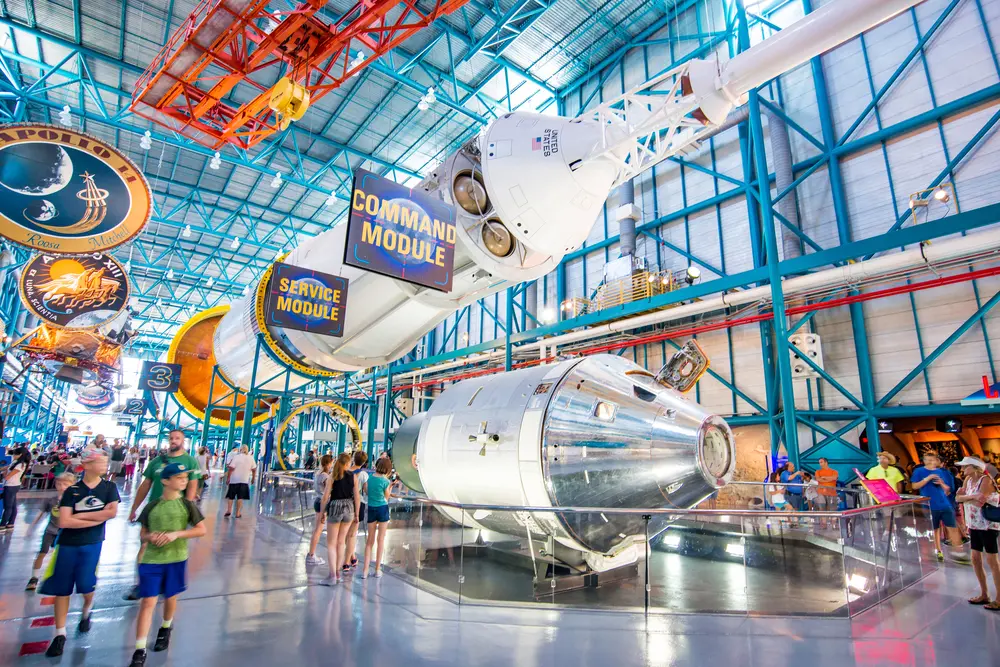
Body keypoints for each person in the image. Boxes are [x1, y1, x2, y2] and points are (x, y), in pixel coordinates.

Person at [38, 450, 120, 657]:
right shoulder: (72, 491)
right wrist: (96, 517)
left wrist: (79, 517)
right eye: (101, 462)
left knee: (86, 585)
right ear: (88, 465)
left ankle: (87, 608)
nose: (105, 465)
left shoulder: (109, 488)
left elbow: (111, 513)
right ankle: (60, 634)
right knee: (62, 589)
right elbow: (64, 522)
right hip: (67, 544)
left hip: (92, 543)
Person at [128, 463, 207, 667]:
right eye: (179, 477)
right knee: (148, 602)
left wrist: (177, 534)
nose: (184, 481)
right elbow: (143, 534)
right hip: (151, 561)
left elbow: (201, 529)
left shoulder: (187, 505)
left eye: (185, 477)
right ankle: (139, 649)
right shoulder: (152, 506)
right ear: (165, 481)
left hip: (176, 559)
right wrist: (150, 537)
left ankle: (165, 626)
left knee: (170, 597)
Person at [126, 430, 201, 601]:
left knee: (172, 546)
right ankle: (141, 583)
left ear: (183, 441)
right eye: (171, 438)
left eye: (177, 438)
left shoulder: (190, 461)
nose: (174, 441)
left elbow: (192, 486)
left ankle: (167, 583)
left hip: (176, 513)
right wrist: (134, 508)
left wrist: (187, 510)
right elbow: (146, 485)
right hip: (154, 511)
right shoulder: (157, 462)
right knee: (145, 545)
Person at [955, 456, 1000, 610]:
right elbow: (958, 498)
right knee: (975, 559)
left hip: (987, 525)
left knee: (992, 561)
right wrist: (971, 497)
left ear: (975, 467)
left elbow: (979, 501)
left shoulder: (985, 480)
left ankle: (999, 598)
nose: (962, 469)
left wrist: (965, 498)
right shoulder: (968, 480)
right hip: (974, 524)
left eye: (965, 466)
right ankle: (984, 594)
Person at [910, 451, 966, 562]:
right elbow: (914, 486)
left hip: (944, 504)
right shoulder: (919, 471)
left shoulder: (941, 472)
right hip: (930, 505)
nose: (930, 462)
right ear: (924, 461)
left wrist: (941, 483)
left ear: (936, 461)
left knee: (952, 527)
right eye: (927, 460)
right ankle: (938, 551)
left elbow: (948, 489)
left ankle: (958, 551)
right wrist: (927, 479)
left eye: (932, 460)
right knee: (935, 529)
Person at [26, 472, 77, 591]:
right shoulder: (51, 500)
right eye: (59, 484)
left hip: (65, 532)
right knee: (42, 552)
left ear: (72, 485)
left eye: (65, 484)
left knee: (64, 555)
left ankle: (64, 577)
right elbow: (41, 513)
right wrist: (31, 526)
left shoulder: (74, 501)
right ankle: (34, 578)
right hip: (50, 531)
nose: (62, 487)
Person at [320, 453, 359, 585]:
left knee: (331, 543)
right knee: (341, 542)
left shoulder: (332, 476)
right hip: (349, 508)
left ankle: (332, 576)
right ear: (347, 463)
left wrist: (322, 513)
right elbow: (357, 497)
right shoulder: (353, 477)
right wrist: (357, 514)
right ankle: (337, 573)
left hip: (335, 507)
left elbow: (325, 497)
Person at [362, 456, 393, 578]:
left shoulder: (369, 478)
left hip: (371, 508)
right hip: (382, 509)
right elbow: (386, 497)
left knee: (369, 541)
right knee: (380, 540)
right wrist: (390, 488)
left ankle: (365, 570)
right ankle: (377, 569)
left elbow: (367, 492)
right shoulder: (386, 481)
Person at [306, 454, 333, 566]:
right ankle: (311, 555)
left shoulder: (318, 474)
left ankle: (311, 554)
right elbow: (328, 491)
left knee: (317, 529)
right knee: (318, 530)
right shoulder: (325, 476)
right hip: (323, 503)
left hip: (318, 500)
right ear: (328, 463)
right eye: (331, 463)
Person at [344, 450, 369, 572]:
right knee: (352, 534)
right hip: (358, 504)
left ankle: (352, 557)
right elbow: (366, 490)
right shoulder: (363, 475)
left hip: (345, 503)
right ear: (364, 462)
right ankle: (346, 562)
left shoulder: (346, 471)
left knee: (346, 533)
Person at [0, 448, 29, 530]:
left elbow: (7, 477)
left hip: (11, 486)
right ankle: (10, 523)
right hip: (12, 485)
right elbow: (6, 468)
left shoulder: (20, 465)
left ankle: (2, 525)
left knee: (8, 506)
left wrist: (4, 474)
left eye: (15, 454)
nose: (13, 455)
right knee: (12, 505)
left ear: (20, 455)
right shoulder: (15, 463)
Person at [225, 445, 256, 518]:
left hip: (234, 480)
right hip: (244, 480)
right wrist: (253, 478)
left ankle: (229, 510)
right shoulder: (251, 458)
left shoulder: (236, 457)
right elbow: (254, 469)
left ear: (240, 449)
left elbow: (231, 469)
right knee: (240, 497)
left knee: (231, 497)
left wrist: (228, 478)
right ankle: (238, 513)